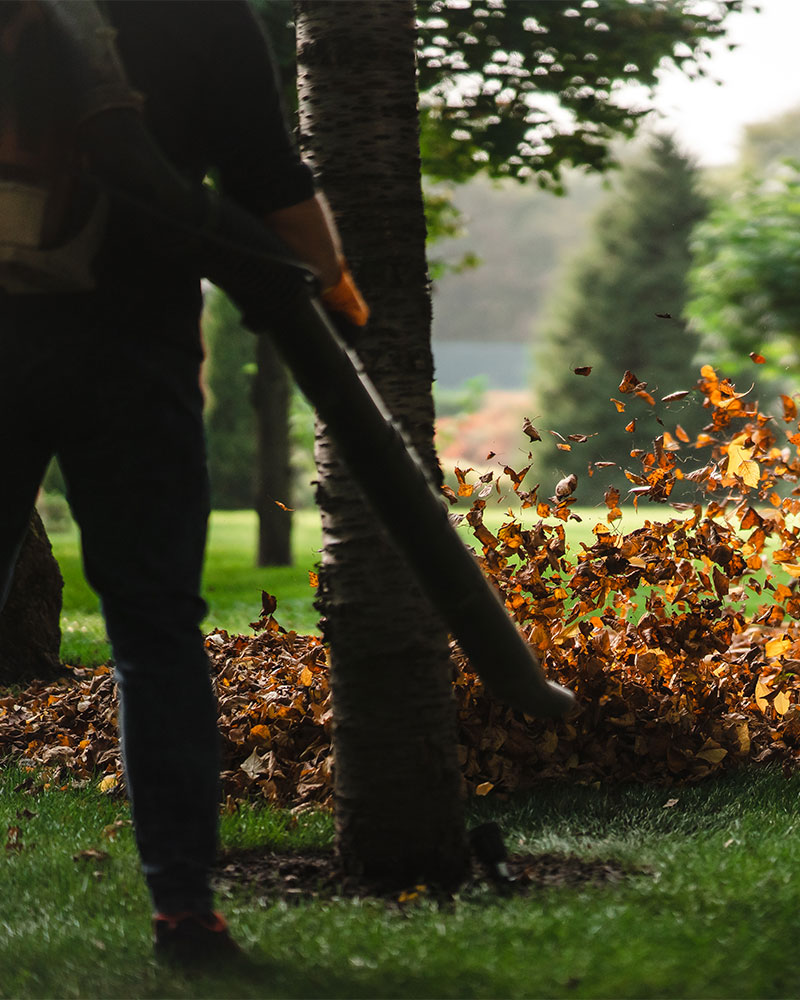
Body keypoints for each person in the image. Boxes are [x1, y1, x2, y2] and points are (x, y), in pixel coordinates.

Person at [0, 0, 366, 965]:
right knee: (156, 635)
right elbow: (267, 181)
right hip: (134, 363)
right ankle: (184, 911)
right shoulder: (201, 16)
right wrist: (330, 284)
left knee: (156, 634)